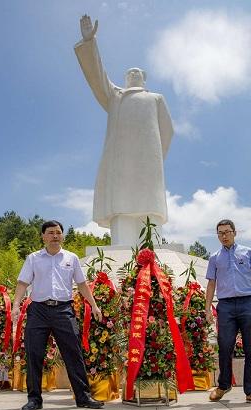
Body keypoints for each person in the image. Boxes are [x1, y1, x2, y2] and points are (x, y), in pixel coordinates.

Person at [74, 15, 174, 246]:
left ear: (145, 79)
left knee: (149, 206)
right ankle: (123, 239)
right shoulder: (116, 96)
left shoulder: (155, 98)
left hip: (149, 162)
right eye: (129, 73)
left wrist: (156, 157)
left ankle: (153, 245)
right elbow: (97, 77)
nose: (133, 75)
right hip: (120, 161)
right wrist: (90, 43)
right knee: (122, 206)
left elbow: (167, 130)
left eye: (137, 73)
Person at [12, 220, 104, 410]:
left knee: (74, 353)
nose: (55, 235)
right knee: (34, 354)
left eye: (58, 232)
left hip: (64, 310)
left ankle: (83, 397)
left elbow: (82, 284)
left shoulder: (71, 258)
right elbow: (22, 283)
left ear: (62, 235)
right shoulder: (33, 258)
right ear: (43, 236)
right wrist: (15, 306)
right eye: (51, 232)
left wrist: (94, 305)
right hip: (38, 310)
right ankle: (34, 399)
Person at [205, 219, 251, 405]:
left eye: (227, 232)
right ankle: (223, 385)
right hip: (225, 306)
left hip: (247, 303)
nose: (224, 236)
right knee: (224, 347)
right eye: (220, 233)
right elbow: (211, 283)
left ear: (235, 232)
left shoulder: (248, 252)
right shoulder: (214, 258)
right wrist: (208, 308)